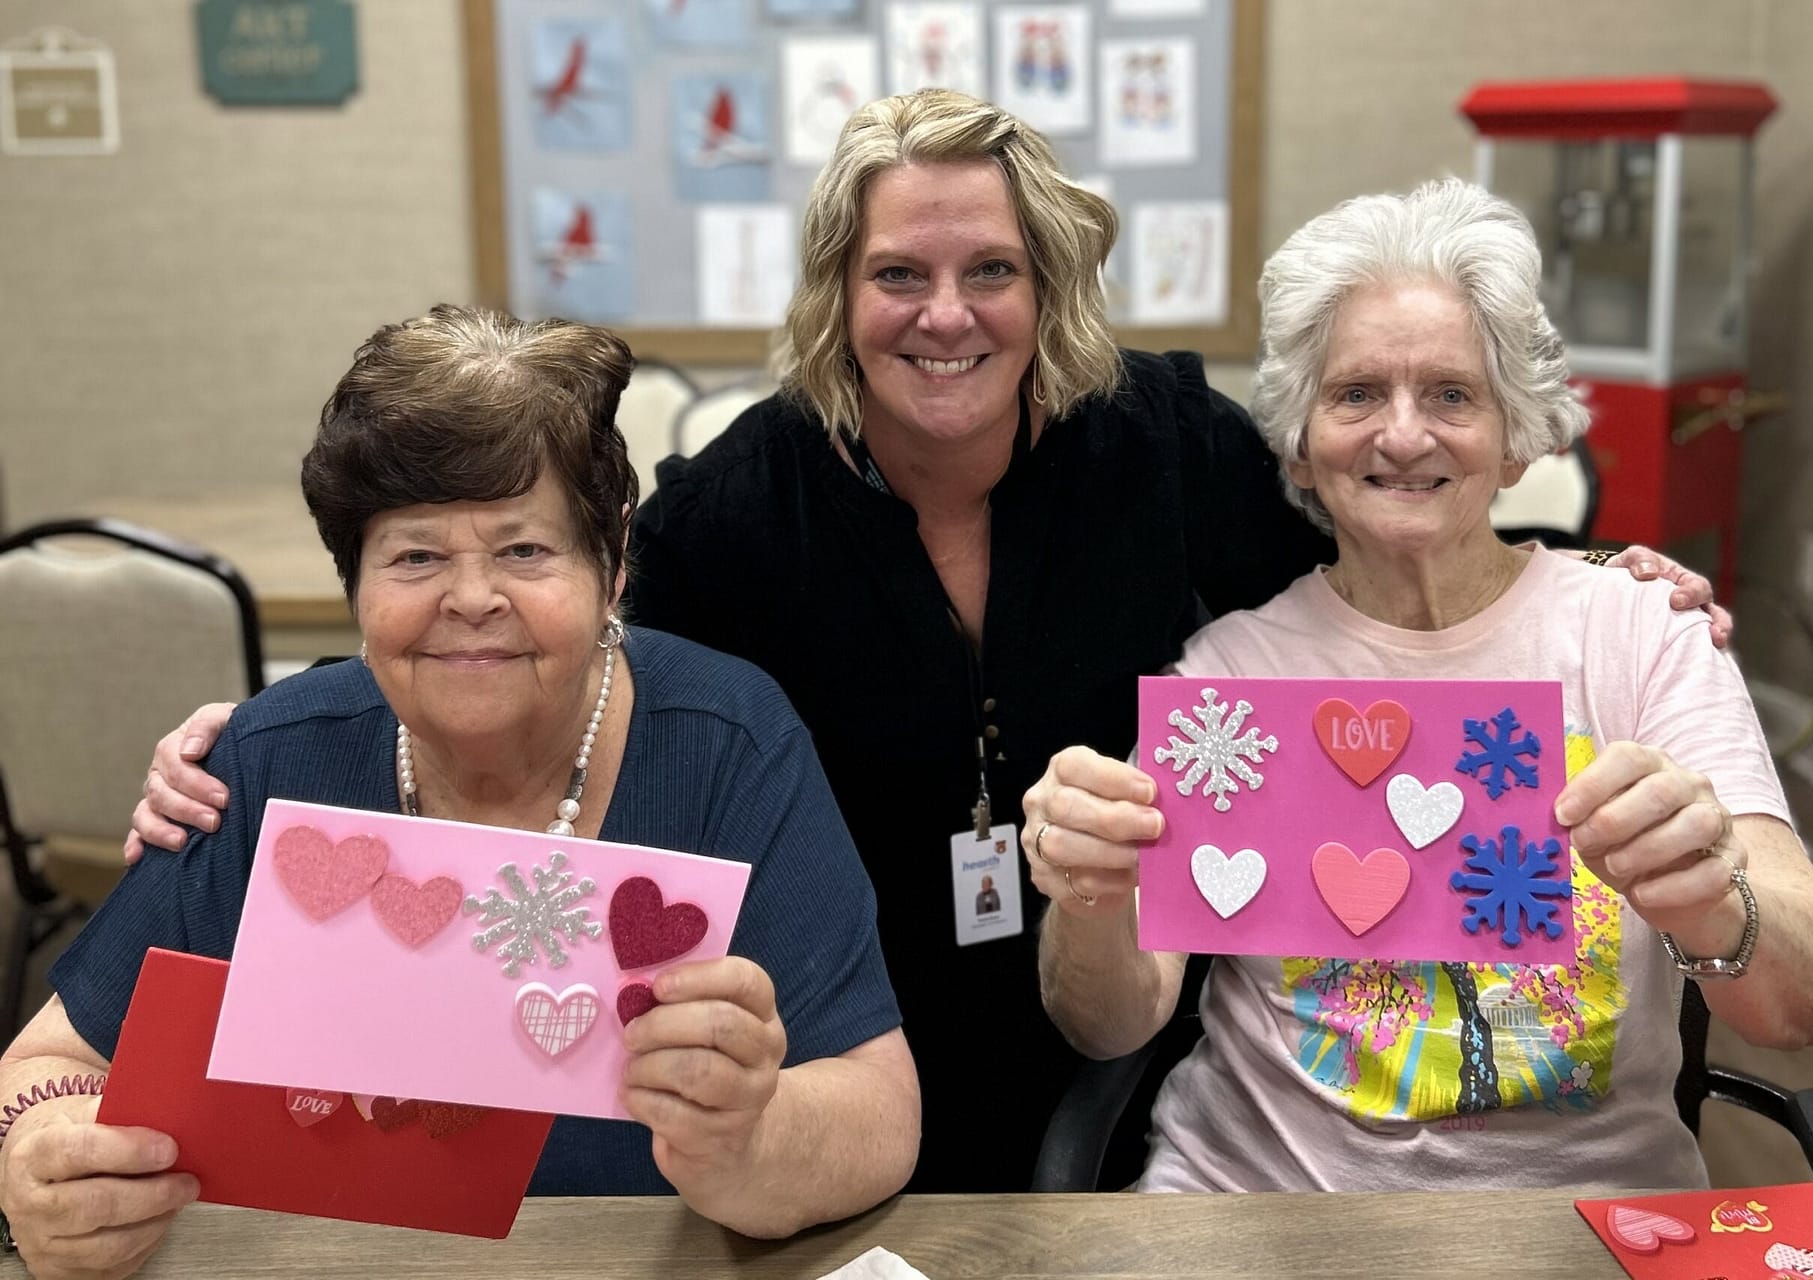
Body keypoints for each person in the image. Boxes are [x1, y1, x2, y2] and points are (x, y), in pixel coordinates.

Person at [121, 93, 1726, 1193]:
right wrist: (276, 732)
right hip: (829, 1034)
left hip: (1133, 1048)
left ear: (1050, 290)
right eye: (899, 273)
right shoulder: (743, 501)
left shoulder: (1166, 445)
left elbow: (1392, 526)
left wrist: (1589, 572)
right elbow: (552, 646)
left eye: (991, 272)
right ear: (840, 292)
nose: (944, 314)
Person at [0, 307, 918, 1277]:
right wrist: (36, 1147)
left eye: (524, 550)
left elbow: (876, 1103)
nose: (471, 598)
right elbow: (44, 1061)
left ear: (610, 567)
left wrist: (748, 1142)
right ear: (356, 580)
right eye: (415, 555)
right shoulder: (270, 765)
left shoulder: (729, 743)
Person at [1022, 180, 1813, 1193]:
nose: (1403, 435)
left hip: (1579, 1220)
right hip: (1255, 1215)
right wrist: (1090, 891)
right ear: (1299, 438)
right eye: (1357, 392)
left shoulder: (1639, 630)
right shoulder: (1232, 676)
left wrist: (1716, 891)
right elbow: (1109, 1018)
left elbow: (1806, 1005)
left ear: (1517, 434)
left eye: (1451, 395)